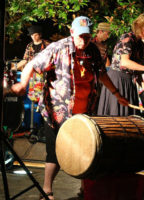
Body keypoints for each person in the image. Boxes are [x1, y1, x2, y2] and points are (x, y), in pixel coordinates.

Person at [11, 16, 128, 200]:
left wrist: (117, 94)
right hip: (57, 112)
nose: (84, 40)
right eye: (81, 36)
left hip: (83, 113)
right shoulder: (58, 48)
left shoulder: (93, 51)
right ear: (72, 33)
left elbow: (102, 73)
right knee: (54, 152)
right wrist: (21, 85)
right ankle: (47, 192)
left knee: (86, 151)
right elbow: (33, 64)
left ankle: (84, 190)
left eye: (87, 37)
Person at [97, 12, 144, 116]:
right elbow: (125, 62)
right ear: (140, 25)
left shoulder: (140, 45)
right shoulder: (128, 37)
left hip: (129, 82)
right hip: (117, 81)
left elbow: (138, 71)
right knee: (116, 117)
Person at [17, 25, 50, 139]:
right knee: (35, 102)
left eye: (35, 35)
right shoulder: (29, 46)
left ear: (39, 34)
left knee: (45, 101)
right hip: (34, 79)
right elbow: (25, 60)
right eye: (31, 35)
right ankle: (35, 127)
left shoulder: (47, 45)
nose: (33, 37)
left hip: (44, 78)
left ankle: (45, 128)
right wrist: (15, 66)